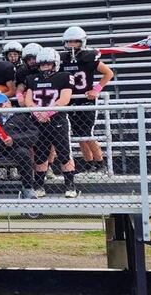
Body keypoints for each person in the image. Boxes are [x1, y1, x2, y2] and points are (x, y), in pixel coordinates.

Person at [60, 26, 114, 174]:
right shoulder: (62, 59)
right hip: (70, 101)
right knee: (79, 135)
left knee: (87, 133)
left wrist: (96, 89)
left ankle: (100, 163)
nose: (72, 45)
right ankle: (89, 164)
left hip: (86, 100)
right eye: (69, 42)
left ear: (82, 42)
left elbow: (108, 73)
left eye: (75, 41)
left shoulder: (88, 57)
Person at [24, 47, 77, 198]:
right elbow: (28, 100)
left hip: (57, 120)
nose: (45, 67)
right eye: (42, 64)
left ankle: (70, 185)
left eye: (48, 64)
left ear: (55, 63)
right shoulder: (32, 78)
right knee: (40, 155)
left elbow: (64, 99)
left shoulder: (64, 76)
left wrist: (47, 113)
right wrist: (37, 113)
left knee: (64, 153)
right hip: (38, 121)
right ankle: (39, 185)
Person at [0, 93, 38, 199]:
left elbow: (33, 134)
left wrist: (14, 139)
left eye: (2, 104)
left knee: (24, 153)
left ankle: (27, 188)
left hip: (15, 145)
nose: (0, 107)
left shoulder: (21, 115)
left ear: (9, 103)